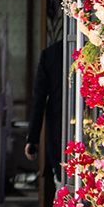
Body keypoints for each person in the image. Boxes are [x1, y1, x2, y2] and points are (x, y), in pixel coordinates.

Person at [25, 40, 65, 184]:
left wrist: (32, 139)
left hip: (58, 127)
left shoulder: (51, 54)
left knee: (62, 181)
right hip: (87, 124)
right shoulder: (95, 49)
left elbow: (39, 99)